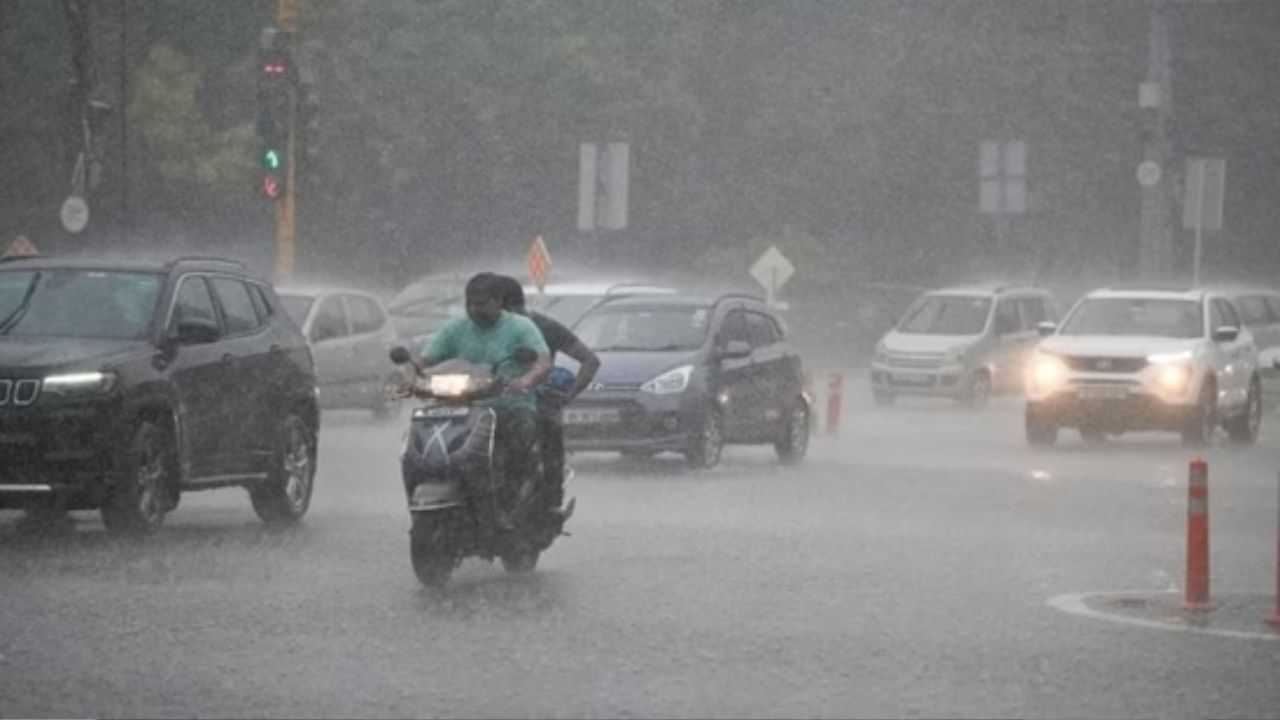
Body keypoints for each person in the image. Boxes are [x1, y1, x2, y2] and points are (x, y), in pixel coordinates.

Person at [418, 272, 551, 527]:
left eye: (481, 303)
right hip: (464, 409)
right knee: (429, 441)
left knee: (518, 447)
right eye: (470, 304)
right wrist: (409, 373)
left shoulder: (520, 327)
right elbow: (426, 359)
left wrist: (525, 381)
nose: (474, 309)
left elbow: (542, 362)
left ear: (498, 302)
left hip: (510, 406)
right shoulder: (456, 329)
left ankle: (515, 500)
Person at [493, 274, 600, 512]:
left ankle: (552, 502)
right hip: (489, 402)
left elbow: (590, 361)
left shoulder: (544, 327)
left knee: (549, 430)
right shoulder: (478, 332)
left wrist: (567, 396)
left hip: (534, 402)